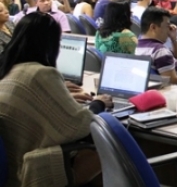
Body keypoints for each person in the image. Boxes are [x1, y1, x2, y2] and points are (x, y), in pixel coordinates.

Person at [0, 12, 114, 187]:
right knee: (107, 145)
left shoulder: (8, 69)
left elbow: (32, 101)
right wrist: (98, 103)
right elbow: (79, 124)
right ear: (50, 43)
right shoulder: (41, 74)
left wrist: (60, 93)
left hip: (12, 165)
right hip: (29, 169)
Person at [136, 7, 177, 86]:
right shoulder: (160, 51)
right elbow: (172, 80)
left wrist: (174, 39)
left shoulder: (137, 46)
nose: (169, 29)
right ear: (153, 27)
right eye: (167, 26)